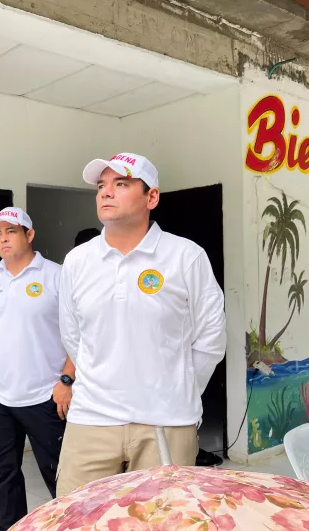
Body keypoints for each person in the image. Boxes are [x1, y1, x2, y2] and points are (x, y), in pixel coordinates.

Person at [56, 152, 226, 495]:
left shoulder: (186, 256)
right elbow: (73, 336)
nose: (106, 192)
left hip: (166, 422)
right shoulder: (77, 261)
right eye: (101, 186)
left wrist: (177, 388)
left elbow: (211, 337)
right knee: (77, 514)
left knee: (161, 516)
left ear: (152, 197)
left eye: (121, 184)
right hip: (91, 418)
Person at [0, 207, 73, 531]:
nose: (3, 239)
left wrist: (66, 379)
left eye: (11, 231)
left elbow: (80, 332)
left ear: (29, 235)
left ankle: (74, 525)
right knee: (3, 473)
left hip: (45, 393)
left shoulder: (56, 275)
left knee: (60, 472)